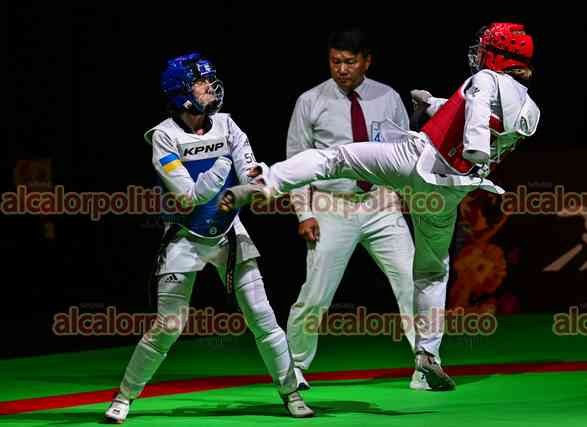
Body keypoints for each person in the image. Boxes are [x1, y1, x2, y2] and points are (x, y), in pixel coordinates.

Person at [220, 22, 540, 391]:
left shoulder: (484, 79)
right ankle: (428, 357)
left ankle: (265, 181)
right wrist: (435, 105)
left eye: (485, 49)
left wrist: (476, 147)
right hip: (447, 189)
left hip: (415, 164)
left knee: (336, 158)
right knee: (432, 271)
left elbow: (479, 118)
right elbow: (477, 114)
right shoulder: (529, 109)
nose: (479, 55)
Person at [104, 53, 314, 423]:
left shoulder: (229, 125)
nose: (210, 87)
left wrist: (251, 186)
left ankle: (290, 392)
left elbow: (252, 179)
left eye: (210, 79)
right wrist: (222, 166)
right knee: (168, 326)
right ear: (181, 93)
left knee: (262, 317)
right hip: (185, 237)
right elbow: (190, 196)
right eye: (201, 83)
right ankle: (125, 396)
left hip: (231, 233)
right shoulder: (164, 136)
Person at [282, 27, 423, 391]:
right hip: (331, 205)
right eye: (335, 62)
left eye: (349, 62)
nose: (341, 69)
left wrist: (403, 196)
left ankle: (427, 363)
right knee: (315, 294)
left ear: (366, 61)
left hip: (381, 203)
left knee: (412, 281)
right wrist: (304, 213)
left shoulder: (387, 97)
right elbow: (296, 162)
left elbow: (403, 152)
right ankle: (293, 369)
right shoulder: (310, 101)